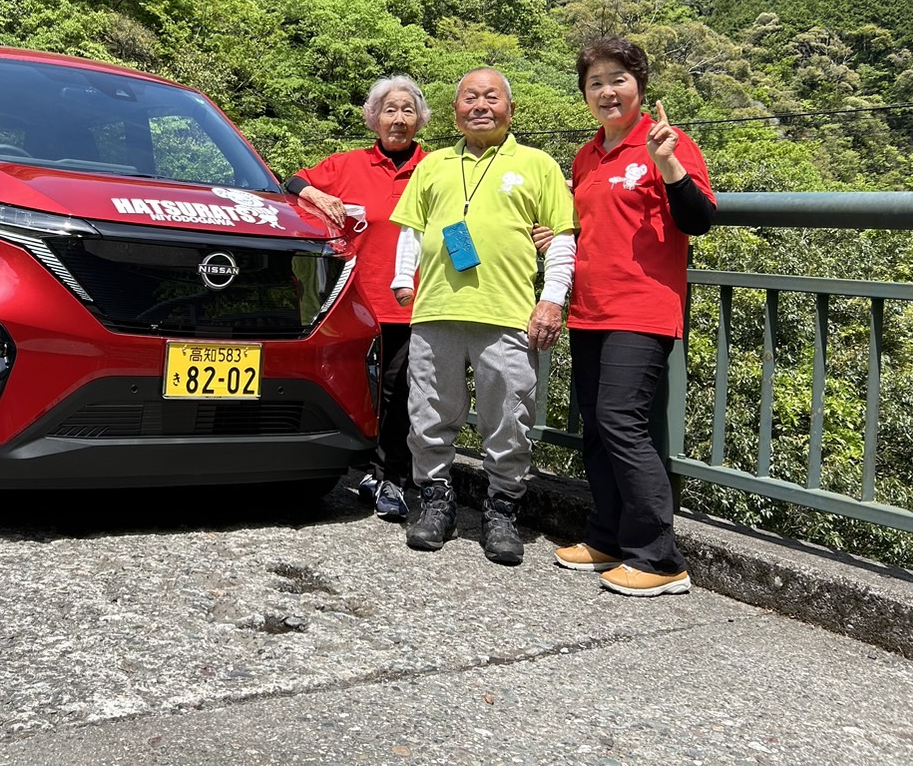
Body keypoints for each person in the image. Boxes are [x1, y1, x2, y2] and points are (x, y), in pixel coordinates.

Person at [389, 68, 577, 561]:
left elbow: (561, 237)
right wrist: (402, 279)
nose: (480, 105)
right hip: (436, 309)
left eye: (491, 97)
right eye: (469, 97)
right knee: (427, 412)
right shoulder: (432, 166)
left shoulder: (538, 165)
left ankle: (502, 509)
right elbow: (411, 229)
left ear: (509, 108)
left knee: (510, 416)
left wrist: (553, 297)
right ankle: (434, 502)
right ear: (455, 111)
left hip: (508, 310)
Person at [554, 37, 715, 597]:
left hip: (643, 308)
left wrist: (669, 164)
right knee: (596, 427)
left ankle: (659, 558)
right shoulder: (587, 155)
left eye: (617, 79)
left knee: (623, 421)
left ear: (640, 87)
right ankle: (608, 536)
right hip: (589, 308)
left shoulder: (666, 143)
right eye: (595, 82)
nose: (606, 91)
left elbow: (698, 220)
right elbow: (591, 226)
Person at [287, 76, 431, 520]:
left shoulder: (436, 167)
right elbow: (291, 181)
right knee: (350, 386)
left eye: (408, 110)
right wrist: (314, 193)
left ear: (421, 120)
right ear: (374, 118)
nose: (399, 119)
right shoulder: (346, 165)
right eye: (390, 110)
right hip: (348, 304)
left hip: (412, 302)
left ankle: (392, 478)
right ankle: (355, 468)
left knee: (401, 392)